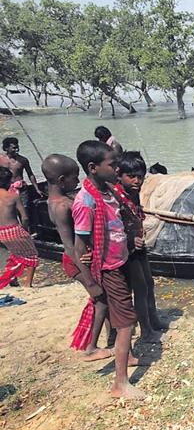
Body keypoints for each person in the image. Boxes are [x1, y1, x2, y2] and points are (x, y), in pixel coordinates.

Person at [73, 140, 144, 399]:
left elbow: (116, 225)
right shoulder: (86, 201)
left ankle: (128, 355)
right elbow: (79, 245)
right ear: (93, 167)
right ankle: (120, 384)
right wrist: (91, 282)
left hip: (119, 259)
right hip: (108, 268)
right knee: (126, 323)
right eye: (112, 164)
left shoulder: (108, 192)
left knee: (121, 315)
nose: (117, 169)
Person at [42, 154, 114, 361]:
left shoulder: (54, 201)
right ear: (62, 180)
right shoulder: (63, 206)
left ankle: (111, 336)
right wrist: (89, 280)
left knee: (105, 296)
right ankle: (91, 347)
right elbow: (69, 245)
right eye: (75, 178)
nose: (77, 181)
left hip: (80, 258)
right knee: (101, 299)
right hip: (76, 260)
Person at [113, 151, 168, 343]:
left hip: (139, 245)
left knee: (149, 283)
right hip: (127, 248)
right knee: (140, 287)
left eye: (141, 177)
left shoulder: (133, 194)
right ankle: (146, 329)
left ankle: (153, 319)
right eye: (132, 177)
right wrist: (129, 239)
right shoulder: (116, 197)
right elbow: (113, 226)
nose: (137, 181)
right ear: (119, 175)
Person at [0, 166, 38, 288]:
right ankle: (28, 284)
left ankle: (13, 279)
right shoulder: (13, 197)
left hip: (2, 233)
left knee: (16, 254)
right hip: (14, 229)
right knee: (32, 255)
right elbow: (25, 217)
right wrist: (25, 231)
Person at [0, 137, 45, 207]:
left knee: (24, 207)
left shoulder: (23, 160)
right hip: (5, 188)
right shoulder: (1, 159)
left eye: (17, 147)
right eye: (14, 148)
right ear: (6, 148)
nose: (17, 150)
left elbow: (30, 174)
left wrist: (37, 188)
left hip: (21, 188)